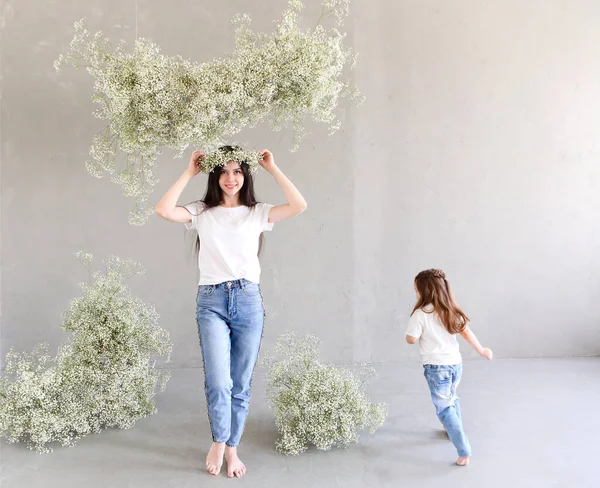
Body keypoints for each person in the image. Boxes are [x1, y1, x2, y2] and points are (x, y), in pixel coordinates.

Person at [155, 146, 307, 478]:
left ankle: (232, 447)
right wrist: (189, 171)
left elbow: (299, 205)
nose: (230, 178)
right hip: (211, 302)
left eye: (237, 171)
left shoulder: (257, 213)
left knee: (240, 383)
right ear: (215, 176)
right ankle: (218, 440)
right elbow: (164, 209)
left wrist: (272, 167)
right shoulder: (201, 211)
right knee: (219, 382)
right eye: (223, 171)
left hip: (248, 300)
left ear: (245, 176)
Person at [405, 269, 493, 466]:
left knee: (444, 407)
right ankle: (451, 428)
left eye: (417, 291)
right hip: (455, 365)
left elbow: (411, 339)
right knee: (452, 397)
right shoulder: (450, 310)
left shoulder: (420, 314)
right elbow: (466, 331)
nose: (416, 294)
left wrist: (414, 335)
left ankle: (464, 451)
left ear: (425, 291)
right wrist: (481, 350)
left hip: (437, 369)